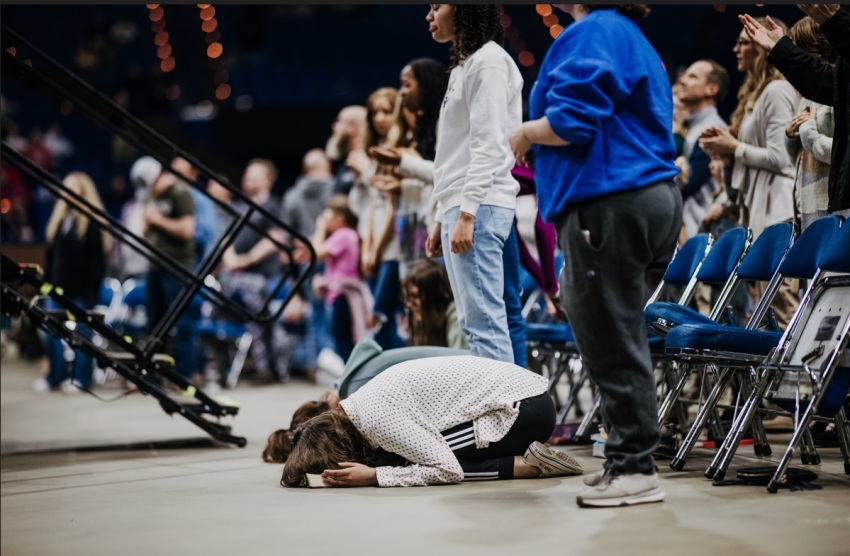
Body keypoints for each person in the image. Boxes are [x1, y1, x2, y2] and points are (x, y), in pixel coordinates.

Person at [510, 4, 681, 507]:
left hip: (609, 199)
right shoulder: (625, 33)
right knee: (618, 333)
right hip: (639, 196)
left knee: (609, 335)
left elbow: (571, 121)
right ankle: (626, 459)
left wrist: (524, 133)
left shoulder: (594, 30)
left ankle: (634, 467)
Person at [280, 355, 583, 487]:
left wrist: (374, 476)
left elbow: (449, 470)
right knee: (406, 460)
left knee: (411, 465)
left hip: (524, 410)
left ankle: (529, 467)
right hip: (527, 398)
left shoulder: (377, 421)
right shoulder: (361, 405)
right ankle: (528, 460)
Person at [422, 4, 523, 364]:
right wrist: (440, 215)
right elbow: (455, 154)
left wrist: (467, 213)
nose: (429, 16)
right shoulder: (465, 66)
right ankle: (500, 413)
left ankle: (509, 416)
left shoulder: (489, 61)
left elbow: (489, 145)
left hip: (479, 207)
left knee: (486, 325)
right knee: (472, 323)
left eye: (437, 6)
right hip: (461, 206)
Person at [700, 15, 800, 329]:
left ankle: (798, 379)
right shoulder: (760, 93)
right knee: (762, 316)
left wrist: (734, 148)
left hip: (776, 213)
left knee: (781, 312)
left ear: (761, 46)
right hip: (759, 212)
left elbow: (781, 159)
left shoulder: (777, 91)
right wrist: (726, 156)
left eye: (743, 42)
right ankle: (772, 380)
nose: (736, 48)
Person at [740, 4, 850, 220]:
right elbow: (831, 85)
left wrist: (807, 130)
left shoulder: (778, 91)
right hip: (817, 207)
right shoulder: (814, 96)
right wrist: (781, 49)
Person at [34, 172, 110, 393]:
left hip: (81, 290)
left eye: (72, 187)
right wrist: (45, 284)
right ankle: (54, 378)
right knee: (51, 333)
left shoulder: (92, 222)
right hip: (56, 288)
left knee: (82, 335)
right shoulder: (59, 220)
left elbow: (97, 262)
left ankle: (82, 380)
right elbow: (51, 256)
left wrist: (91, 291)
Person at [219, 158, 286, 381]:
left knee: (257, 307)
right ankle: (251, 365)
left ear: (267, 180)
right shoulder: (237, 207)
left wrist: (247, 259)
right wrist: (231, 260)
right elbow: (225, 239)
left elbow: (276, 237)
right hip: (237, 277)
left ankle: (265, 366)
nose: (248, 179)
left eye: (254, 175)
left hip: (264, 277)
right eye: (247, 175)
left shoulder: (273, 206)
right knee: (249, 307)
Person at [140, 157, 199, 383]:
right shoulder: (152, 195)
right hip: (154, 266)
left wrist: (158, 219)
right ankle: (153, 375)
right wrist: (148, 223)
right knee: (154, 325)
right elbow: (147, 232)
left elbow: (187, 230)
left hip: (177, 267)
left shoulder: (180, 193)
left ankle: (185, 376)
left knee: (183, 324)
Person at [295, 194, 370, 362]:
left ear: (340, 217)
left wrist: (320, 228)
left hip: (343, 295)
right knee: (343, 340)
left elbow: (315, 254)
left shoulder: (344, 234)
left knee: (343, 341)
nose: (324, 218)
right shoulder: (347, 235)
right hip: (340, 295)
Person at [782, 16, 837, 230]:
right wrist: (790, 135)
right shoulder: (808, 93)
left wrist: (807, 130)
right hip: (807, 207)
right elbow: (797, 159)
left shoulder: (835, 86)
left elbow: (841, 154)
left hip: (831, 210)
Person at [676, 60, 731, 239]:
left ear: (711, 89)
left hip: (698, 233)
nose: (682, 80)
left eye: (692, 76)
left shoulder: (711, 130)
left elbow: (686, 183)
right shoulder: (695, 127)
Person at [401, 259, 467, 349]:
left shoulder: (456, 318)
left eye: (415, 297)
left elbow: (459, 360)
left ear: (433, 296)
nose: (409, 305)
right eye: (408, 298)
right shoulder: (419, 319)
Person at [325, 105, 367, 196]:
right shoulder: (346, 163)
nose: (334, 126)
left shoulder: (365, 162)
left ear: (353, 127)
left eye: (339, 121)